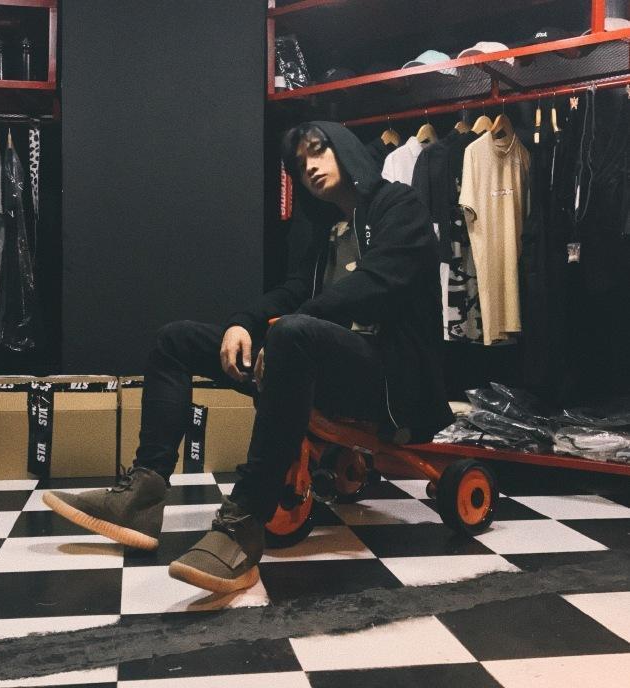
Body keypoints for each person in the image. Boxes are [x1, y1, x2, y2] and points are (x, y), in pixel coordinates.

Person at [43, 121, 453, 594]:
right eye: (300, 163)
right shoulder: (326, 232)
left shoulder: (400, 206)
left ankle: (244, 523)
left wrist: (286, 328)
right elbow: (294, 291)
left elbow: (378, 281)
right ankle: (142, 496)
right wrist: (244, 323)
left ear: (345, 148)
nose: (310, 167)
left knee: (293, 333)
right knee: (175, 341)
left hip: (387, 381)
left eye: (318, 151)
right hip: (312, 362)